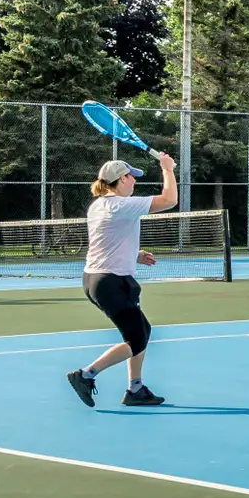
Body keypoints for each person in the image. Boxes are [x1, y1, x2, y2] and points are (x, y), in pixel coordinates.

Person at [66, 152, 178, 408]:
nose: (134, 181)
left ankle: (135, 389)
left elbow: (108, 239)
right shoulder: (120, 205)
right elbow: (170, 199)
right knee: (136, 338)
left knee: (142, 331)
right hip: (111, 282)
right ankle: (85, 375)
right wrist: (167, 169)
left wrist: (134, 254)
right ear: (120, 180)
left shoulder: (99, 206)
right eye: (131, 176)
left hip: (96, 279)